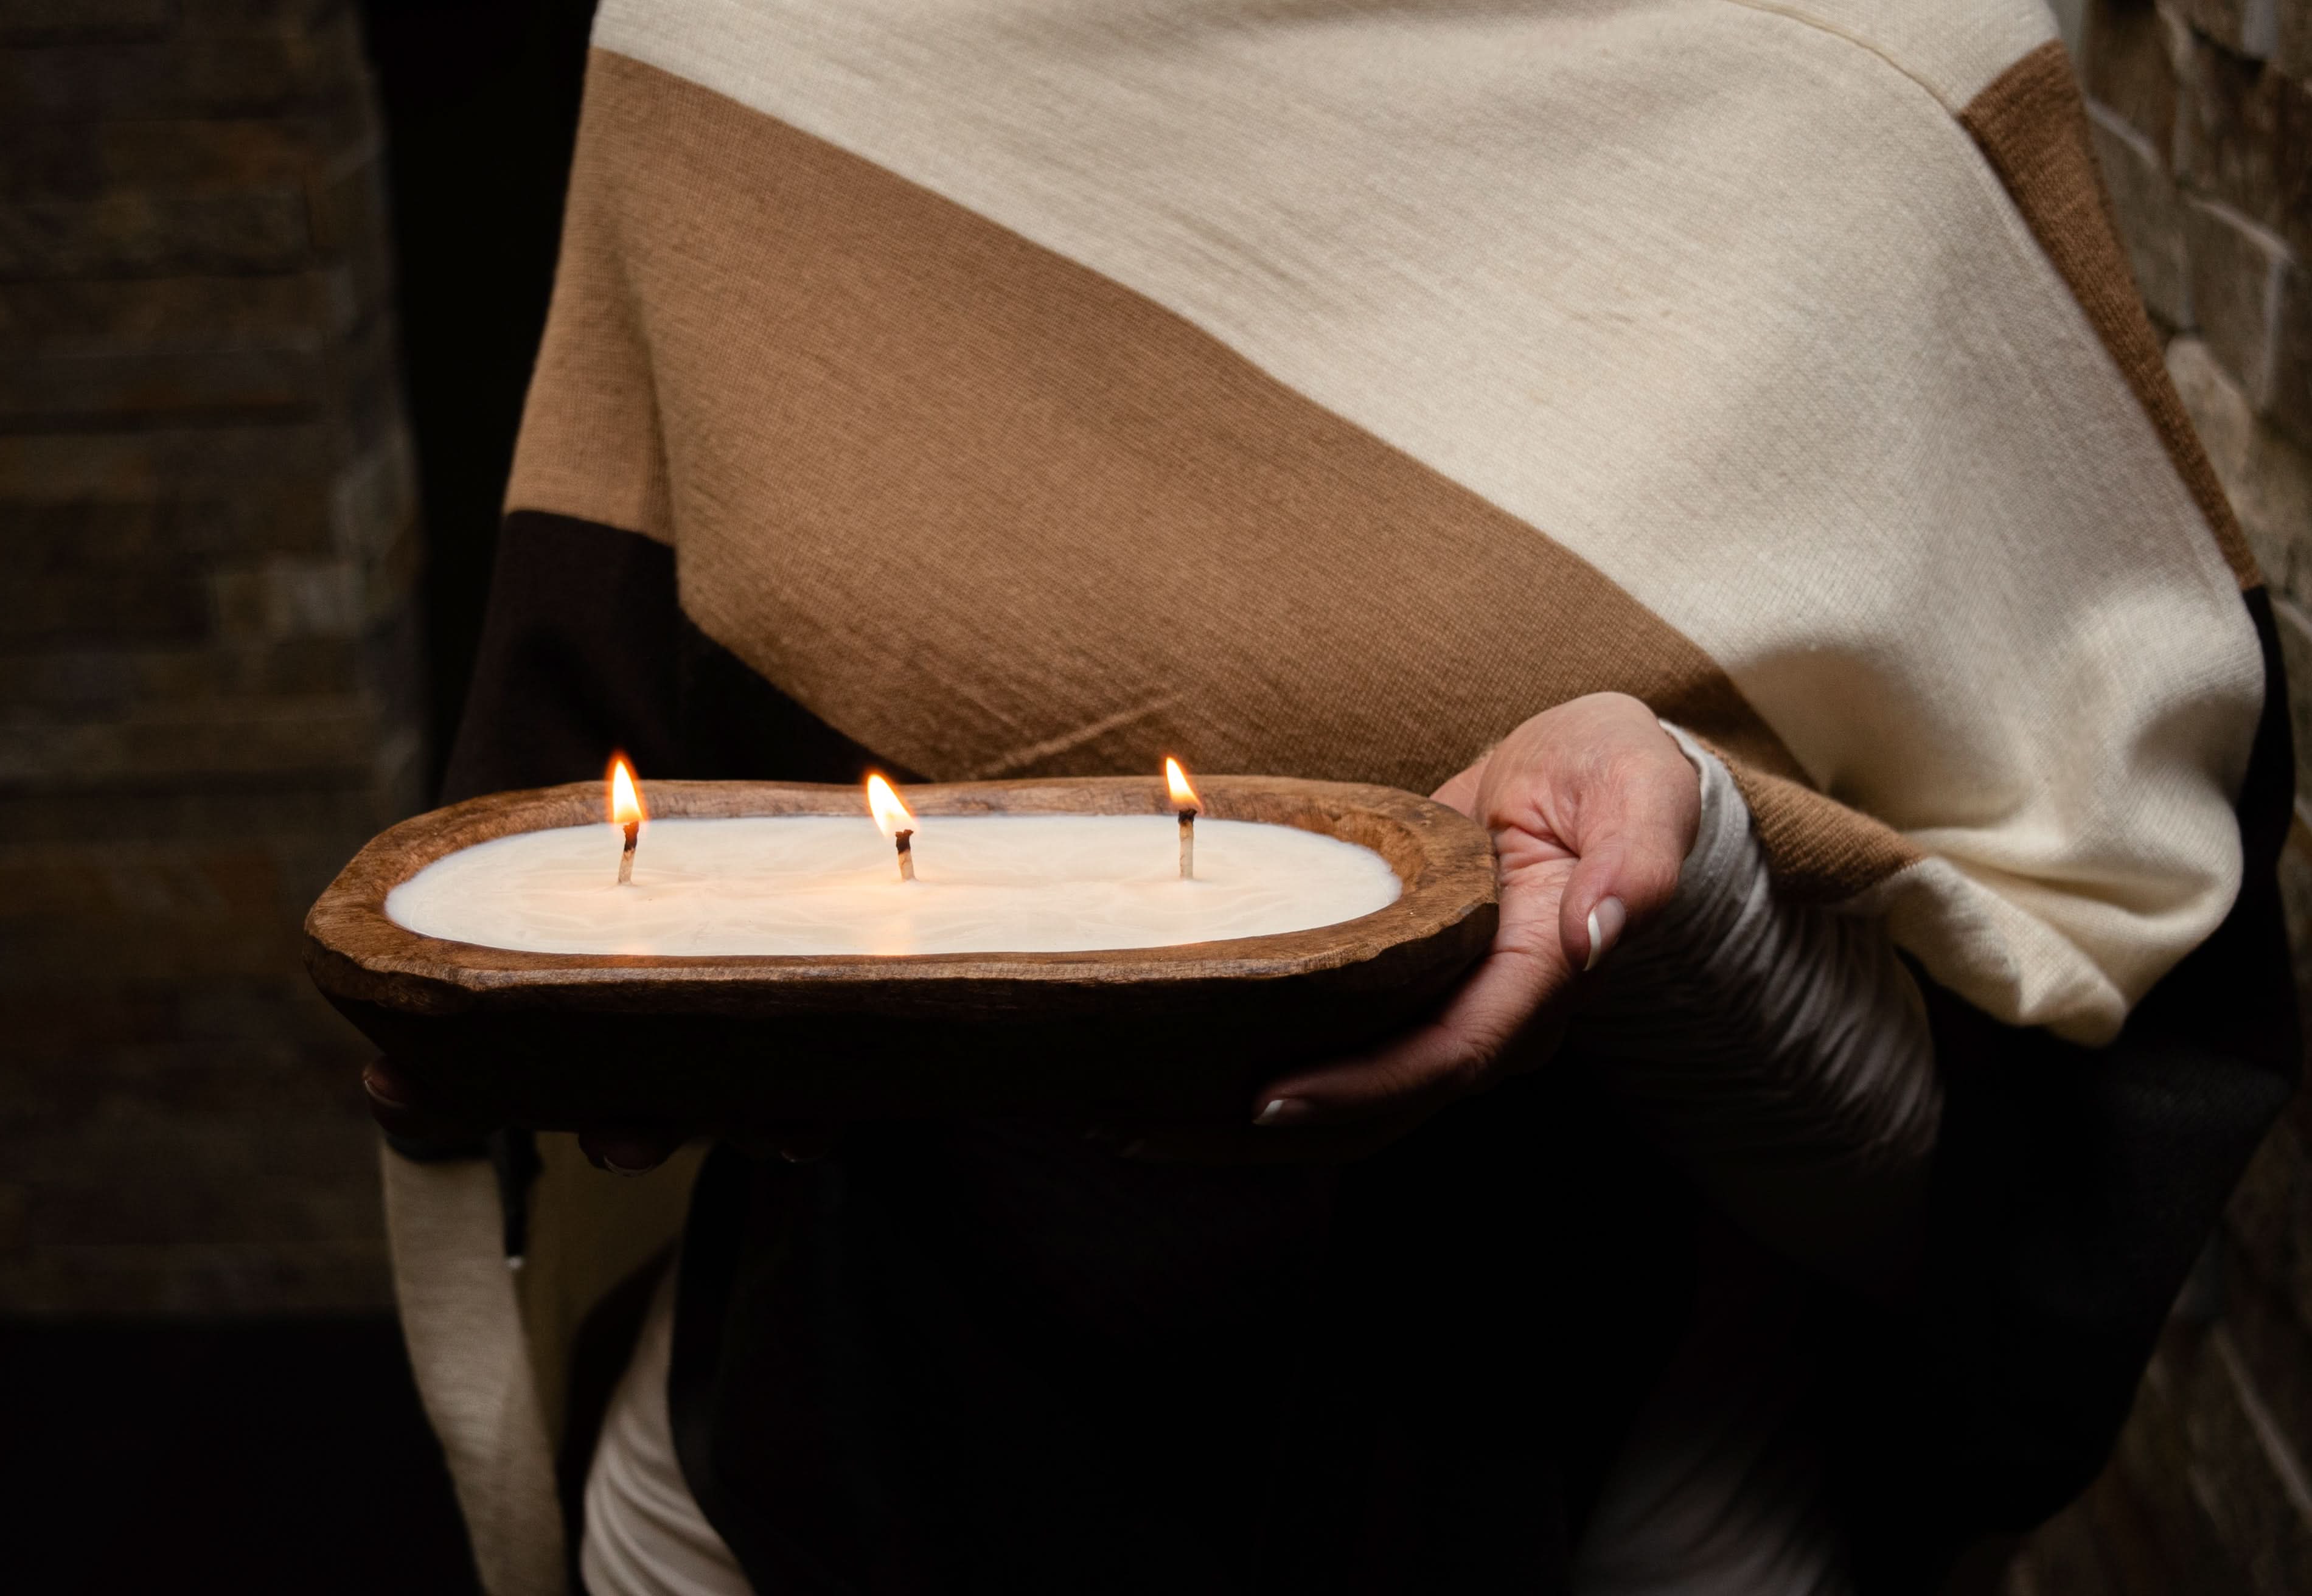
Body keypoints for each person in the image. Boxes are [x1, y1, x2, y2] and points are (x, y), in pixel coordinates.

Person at [364, 2, 2300, 1593]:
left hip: (1594, 1494)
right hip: (785, 1471)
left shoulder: (1855, 84)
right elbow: (581, 843)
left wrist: (1681, 865)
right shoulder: (746, 47)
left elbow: (1997, 1161)